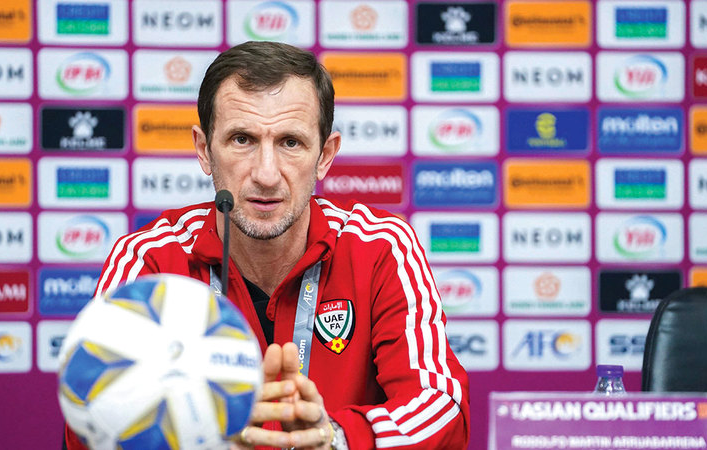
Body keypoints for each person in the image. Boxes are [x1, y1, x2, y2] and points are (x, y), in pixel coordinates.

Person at [64, 41, 470, 449]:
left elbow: (441, 407)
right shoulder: (150, 260)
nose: (266, 174)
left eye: (290, 142)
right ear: (204, 151)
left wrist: (333, 439)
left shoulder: (380, 246)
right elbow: (92, 419)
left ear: (325, 155)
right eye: (242, 139)